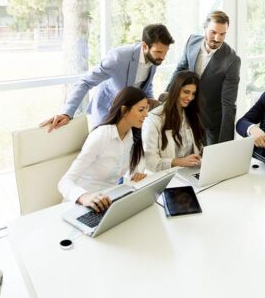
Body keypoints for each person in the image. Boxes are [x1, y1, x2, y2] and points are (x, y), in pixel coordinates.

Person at [41, 24, 174, 132]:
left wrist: (149, 100)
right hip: (107, 115)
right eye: (158, 52)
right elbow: (86, 82)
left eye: (165, 52)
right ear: (144, 46)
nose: (162, 57)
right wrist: (67, 113)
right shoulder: (118, 58)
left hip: (131, 116)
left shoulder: (155, 59)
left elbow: (146, 84)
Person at [57, 86, 149, 212]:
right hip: (81, 205)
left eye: (147, 109)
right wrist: (85, 197)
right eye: (141, 110)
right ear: (124, 110)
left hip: (106, 204)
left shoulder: (132, 137)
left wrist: (136, 175)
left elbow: (135, 167)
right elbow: (64, 183)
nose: (146, 114)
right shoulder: (102, 136)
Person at [171, 11, 240, 145]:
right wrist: (168, 94)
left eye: (222, 34)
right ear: (205, 28)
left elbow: (228, 103)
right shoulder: (192, 41)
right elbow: (180, 70)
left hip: (211, 123)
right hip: (186, 115)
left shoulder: (232, 60)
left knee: (212, 162)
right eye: (213, 32)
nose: (217, 38)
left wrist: (226, 144)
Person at [142, 70, 205, 172]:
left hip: (189, 174)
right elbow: (150, 162)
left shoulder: (191, 115)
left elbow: (198, 149)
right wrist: (180, 162)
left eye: (193, 93)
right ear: (175, 90)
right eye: (186, 92)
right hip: (164, 179)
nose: (190, 98)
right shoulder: (154, 119)